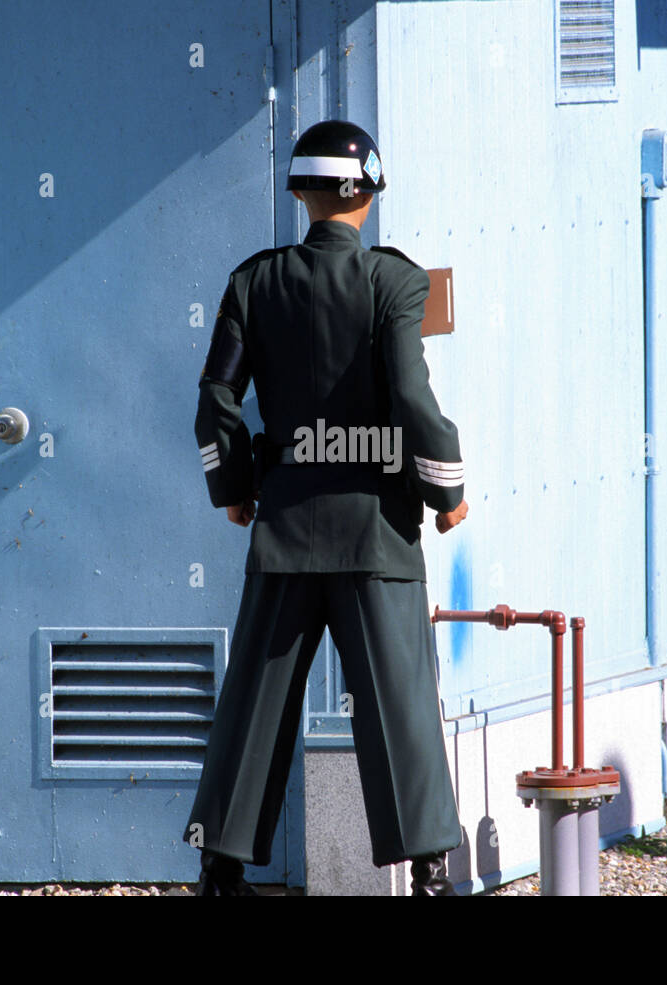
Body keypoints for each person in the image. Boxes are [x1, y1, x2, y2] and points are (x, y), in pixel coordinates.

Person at [185, 120, 470, 896]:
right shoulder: (395, 283)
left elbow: (215, 403)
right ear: (368, 192)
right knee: (399, 709)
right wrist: (447, 490)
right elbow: (413, 398)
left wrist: (237, 489)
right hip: (376, 534)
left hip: (283, 529)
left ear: (303, 194)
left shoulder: (254, 281)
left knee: (254, 701)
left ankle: (220, 868)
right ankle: (433, 873)